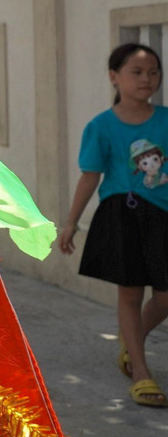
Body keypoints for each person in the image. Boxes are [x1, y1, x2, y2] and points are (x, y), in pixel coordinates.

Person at [58, 43, 168, 408]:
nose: (146, 79)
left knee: (165, 296)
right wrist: (71, 223)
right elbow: (90, 176)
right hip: (123, 214)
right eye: (136, 72)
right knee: (130, 293)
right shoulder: (101, 126)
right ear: (114, 77)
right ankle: (140, 371)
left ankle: (130, 340)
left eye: (153, 72)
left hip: (163, 217)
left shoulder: (166, 120)